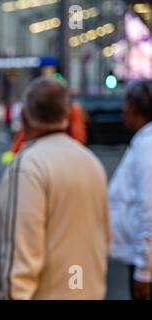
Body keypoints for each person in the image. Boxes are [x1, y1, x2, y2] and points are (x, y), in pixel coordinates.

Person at [0, 77, 110, 300]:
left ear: (25, 116)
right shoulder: (91, 162)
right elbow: (103, 239)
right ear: (66, 115)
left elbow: (20, 256)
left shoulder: (28, 165)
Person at [109, 80, 152, 300]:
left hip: (144, 263)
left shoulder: (147, 145)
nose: (122, 111)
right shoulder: (143, 140)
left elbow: (149, 212)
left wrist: (145, 270)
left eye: (124, 104)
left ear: (134, 108)